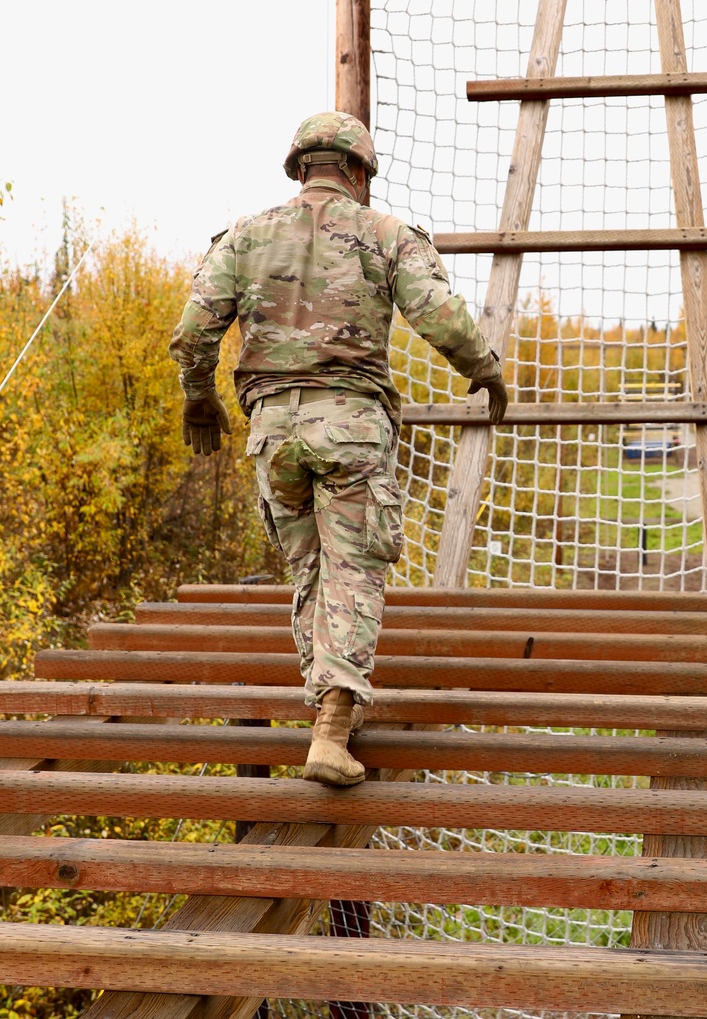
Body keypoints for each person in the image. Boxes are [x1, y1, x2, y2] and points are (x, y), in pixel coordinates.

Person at [168, 111, 508, 787]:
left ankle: (330, 710)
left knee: (313, 572)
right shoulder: (384, 234)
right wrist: (485, 369)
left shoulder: (245, 234)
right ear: (358, 171)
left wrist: (198, 396)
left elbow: (194, 329)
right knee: (353, 571)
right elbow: (439, 315)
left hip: (273, 431)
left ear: (300, 168)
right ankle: (331, 728)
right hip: (350, 424)